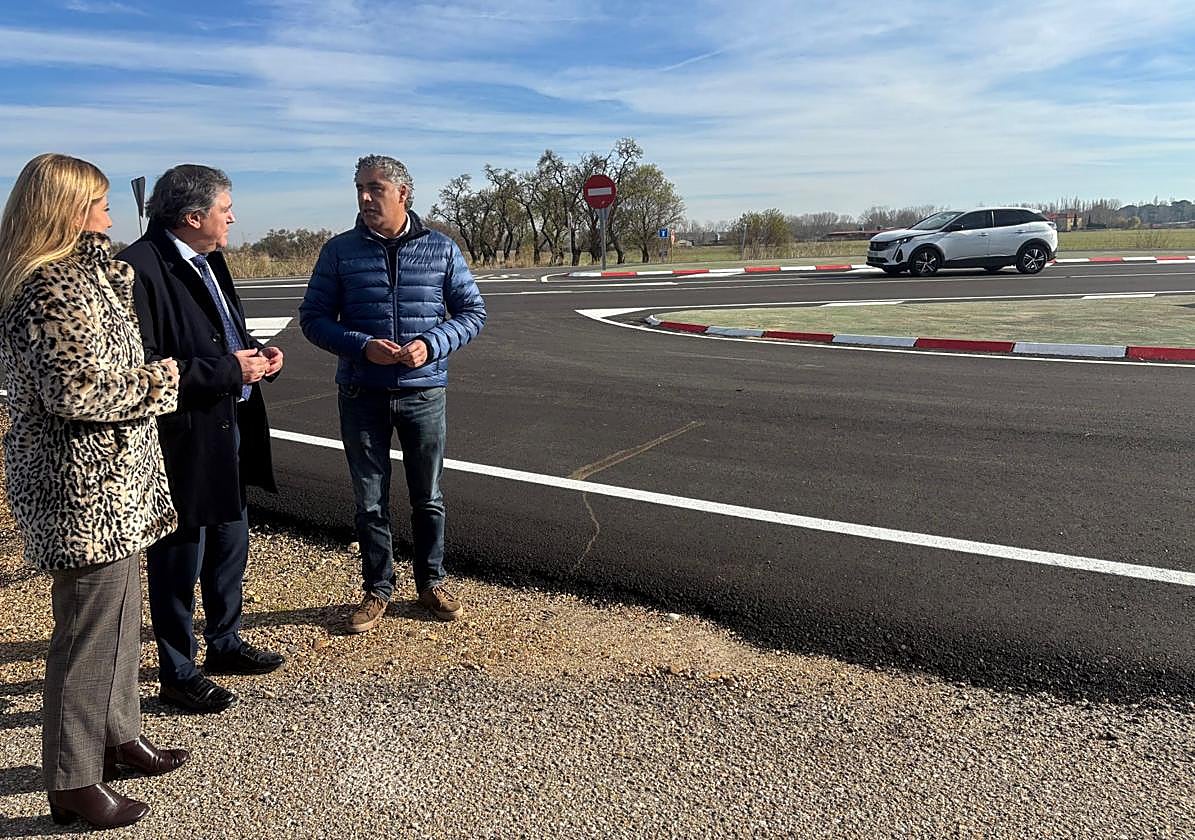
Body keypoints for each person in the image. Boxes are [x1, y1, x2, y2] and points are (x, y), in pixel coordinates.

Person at [0, 153, 189, 829]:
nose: (110, 212)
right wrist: (162, 379)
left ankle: (117, 736)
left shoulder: (90, 276)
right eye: (100, 201)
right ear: (69, 209)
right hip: (79, 488)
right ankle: (73, 781)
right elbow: (74, 392)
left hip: (113, 481)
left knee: (118, 619)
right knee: (86, 634)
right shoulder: (48, 287)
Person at [119, 165, 284, 714]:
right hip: (181, 436)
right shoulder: (139, 269)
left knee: (230, 541)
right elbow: (140, 368)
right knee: (178, 555)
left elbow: (222, 331)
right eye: (225, 209)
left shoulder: (208, 258)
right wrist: (229, 370)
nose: (232, 218)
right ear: (193, 217)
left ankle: (224, 641)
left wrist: (258, 354)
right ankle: (178, 670)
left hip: (228, 425)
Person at [299, 154, 485, 633]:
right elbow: (313, 319)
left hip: (424, 393)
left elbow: (472, 312)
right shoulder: (339, 252)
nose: (364, 197)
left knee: (429, 497)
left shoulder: (441, 249)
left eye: (375, 188)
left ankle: (431, 583)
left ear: (403, 193)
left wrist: (432, 344)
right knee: (370, 501)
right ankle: (378, 588)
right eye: (360, 188)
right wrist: (361, 346)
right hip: (361, 392)